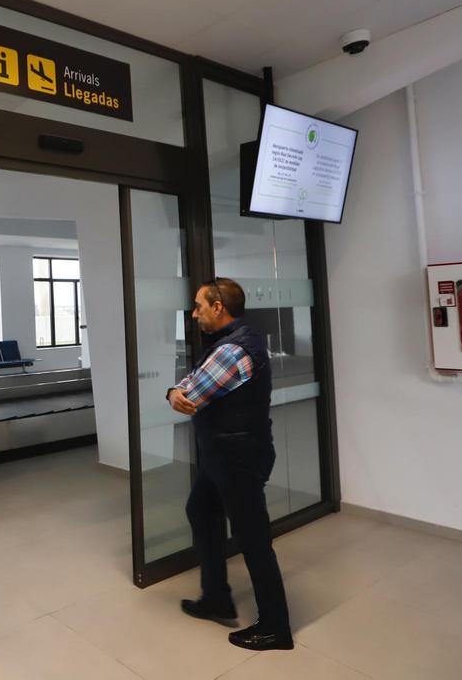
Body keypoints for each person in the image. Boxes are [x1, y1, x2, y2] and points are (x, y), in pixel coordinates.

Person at [167, 277, 292, 651]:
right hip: (224, 454)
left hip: (237, 457)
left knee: (253, 540)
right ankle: (216, 597)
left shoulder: (231, 351)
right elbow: (190, 382)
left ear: (218, 308)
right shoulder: (231, 342)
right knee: (201, 511)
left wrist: (176, 393)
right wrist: (174, 390)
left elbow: (193, 392)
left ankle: (275, 627)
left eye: (199, 306)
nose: (194, 313)